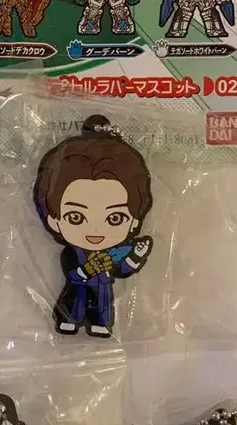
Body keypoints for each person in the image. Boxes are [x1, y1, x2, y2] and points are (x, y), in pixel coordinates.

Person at [33, 115, 153, 337]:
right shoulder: (72, 253)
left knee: (102, 307)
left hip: (103, 289)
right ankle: (69, 320)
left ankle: (100, 324)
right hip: (78, 286)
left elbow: (122, 269)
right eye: (76, 217)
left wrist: (135, 256)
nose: (96, 230)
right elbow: (71, 272)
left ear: (134, 220)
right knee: (74, 300)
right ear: (54, 220)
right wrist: (87, 270)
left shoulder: (115, 252)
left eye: (114, 218)